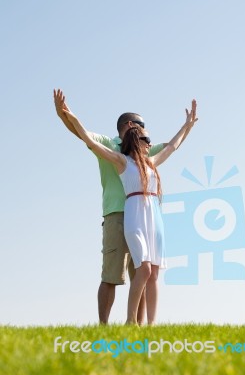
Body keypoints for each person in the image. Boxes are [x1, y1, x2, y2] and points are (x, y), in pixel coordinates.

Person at [61, 100, 197, 324]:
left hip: (153, 215)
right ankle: (128, 321)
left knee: (151, 273)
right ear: (135, 134)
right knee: (137, 271)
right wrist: (69, 115)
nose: (150, 143)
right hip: (130, 214)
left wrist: (188, 126)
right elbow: (88, 139)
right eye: (146, 138)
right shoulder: (121, 161)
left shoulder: (151, 161)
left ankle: (146, 326)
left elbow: (172, 146)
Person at [54, 89, 165, 324]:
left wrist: (188, 126)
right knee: (111, 275)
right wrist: (64, 114)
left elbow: (169, 146)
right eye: (142, 126)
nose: (147, 134)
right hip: (116, 215)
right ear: (129, 124)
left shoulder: (144, 150)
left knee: (142, 275)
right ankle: (103, 326)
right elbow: (81, 134)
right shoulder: (108, 143)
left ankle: (137, 326)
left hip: (143, 217)